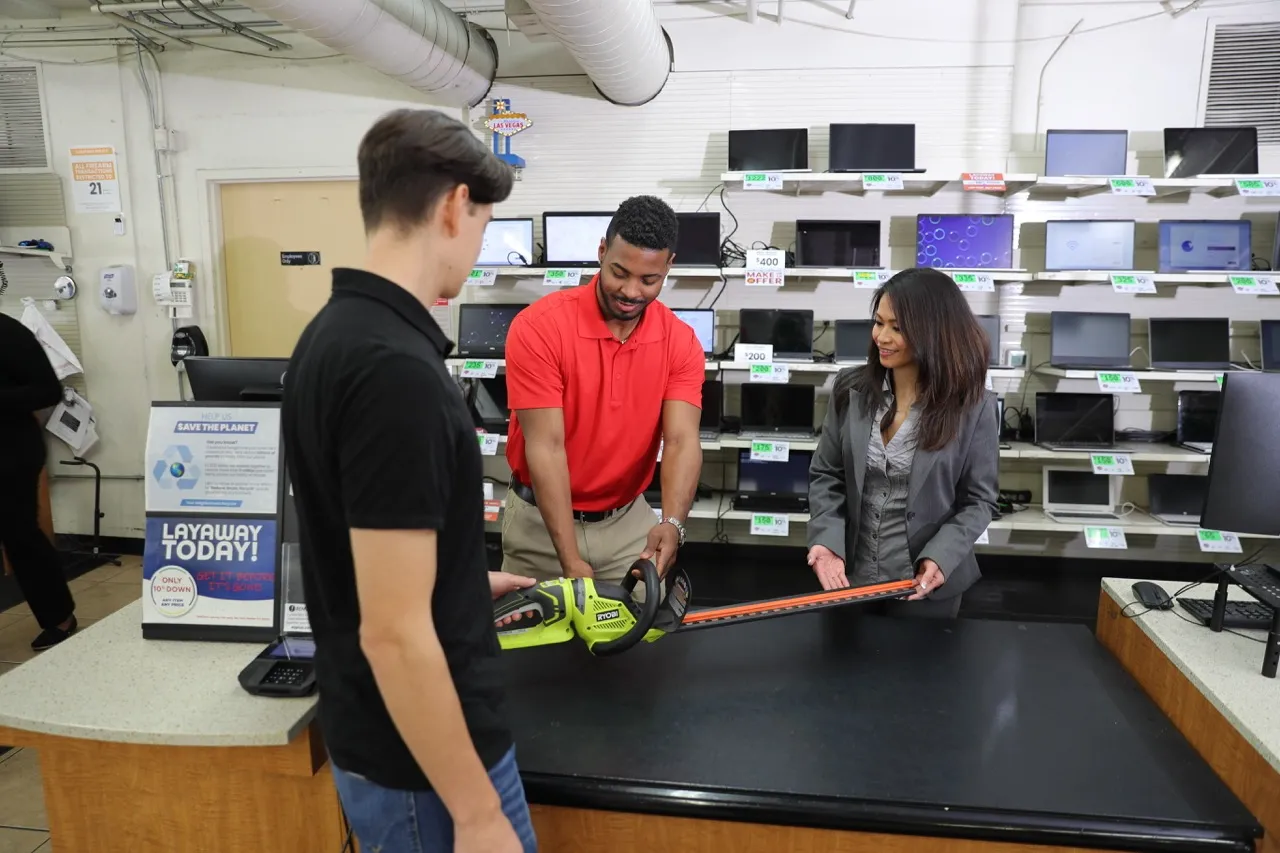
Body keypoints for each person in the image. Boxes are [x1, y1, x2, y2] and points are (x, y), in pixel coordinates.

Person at [281, 108, 538, 853]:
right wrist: (479, 811)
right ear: (456, 205)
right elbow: (394, 634)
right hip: (427, 769)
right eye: (485, 223)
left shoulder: (333, 336)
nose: (479, 246)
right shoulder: (396, 370)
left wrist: (457, 580)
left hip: (380, 739)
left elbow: (362, 540)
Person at [500, 195, 704, 588]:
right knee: (535, 642)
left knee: (639, 641)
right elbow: (546, 448)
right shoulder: (539, 328)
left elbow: (681, 441)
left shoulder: (680, 341)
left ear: (668, 267)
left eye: (649, 280)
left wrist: (673, 523)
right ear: (601, 251)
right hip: (540, 524)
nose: (630, 291)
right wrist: (569, 558)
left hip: (628, 523)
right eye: (619, 272)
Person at [806, 268, 999, 618]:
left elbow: (979, 500)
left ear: (933, 332)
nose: (882, 336)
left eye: (897, 327)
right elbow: (827, 474)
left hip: (922, 590)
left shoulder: (973, 407)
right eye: (879, 323)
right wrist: (826, 541)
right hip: (850, 581)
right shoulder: (851, 390)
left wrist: (940, 555)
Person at [0, 312, 77, 651]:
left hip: (9, 452)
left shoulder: (6, 331)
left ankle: (59, 616)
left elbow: (48, 390)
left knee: (20, 536)